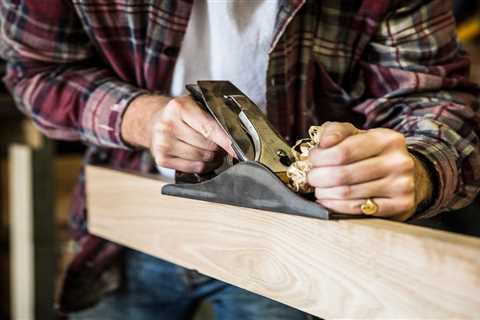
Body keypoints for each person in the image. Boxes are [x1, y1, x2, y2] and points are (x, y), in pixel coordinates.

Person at [1, 0, 479, 319]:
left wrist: (421, 166)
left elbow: (433, 98)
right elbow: (37, 72)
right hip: (129, 220)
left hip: (296, 248)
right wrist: (141, 118)